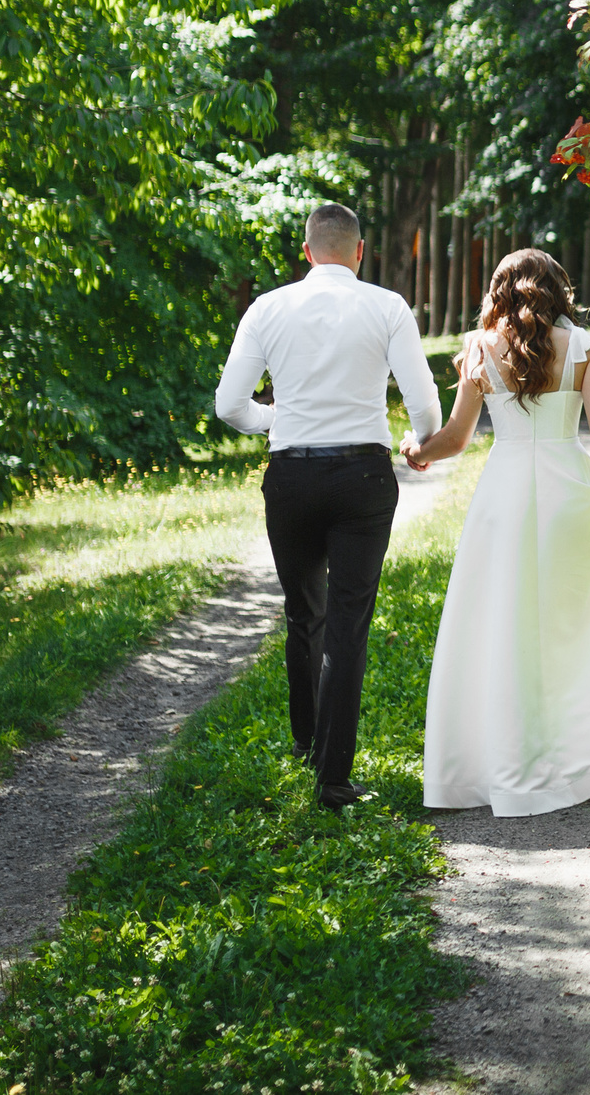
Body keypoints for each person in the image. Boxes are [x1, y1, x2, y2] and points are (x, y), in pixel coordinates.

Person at [405, 247, 590, 816]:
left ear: (499, 292)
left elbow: (454, 438)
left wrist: (415, 450)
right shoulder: (583, 347)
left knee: (503, 622)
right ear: (557, 290)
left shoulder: (479, 348)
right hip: (566, 492)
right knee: (577, 622)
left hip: (504, 496)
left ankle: (497, 755)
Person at [214, 203, 442, 810]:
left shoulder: (267, 308)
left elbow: (229, 406)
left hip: (290, 478)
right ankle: (334, 779)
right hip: (363, 477)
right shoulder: (388, 306)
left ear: (307, 250)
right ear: (359, 252)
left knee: (302, 614)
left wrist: (279, 420)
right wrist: (419, 444)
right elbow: (425, 405)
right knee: (348, 623)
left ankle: (306, 744)